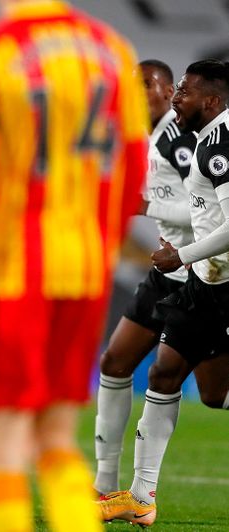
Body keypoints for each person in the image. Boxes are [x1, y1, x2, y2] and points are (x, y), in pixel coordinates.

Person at [0, 1, 149, 531]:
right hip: (85, 269)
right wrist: (102, 243)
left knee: (4, 438)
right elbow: (133, 167)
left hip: (13, 270)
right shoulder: (110, 49)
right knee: (57, 436)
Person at [98, 59, 229, 527]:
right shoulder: (171, 135)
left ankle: (135, 493)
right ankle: (126, 491)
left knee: (186, 383)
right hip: (195, 276)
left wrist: (176, 244)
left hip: (206, 274)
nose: (174, 101)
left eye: (180, 91)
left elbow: (219, 220)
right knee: (153, 373)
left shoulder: (200, 141)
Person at [92, 59, 199, 496]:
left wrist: (143, 206)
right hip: (165, 273)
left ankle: (138, 494)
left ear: (170, 90)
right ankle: (104, 483)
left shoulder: (182, 139)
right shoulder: (138, 138)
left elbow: (210, 212)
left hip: (199, 274)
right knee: (114, 363)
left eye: (148, 85)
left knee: (211, 392)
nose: (139, 93)